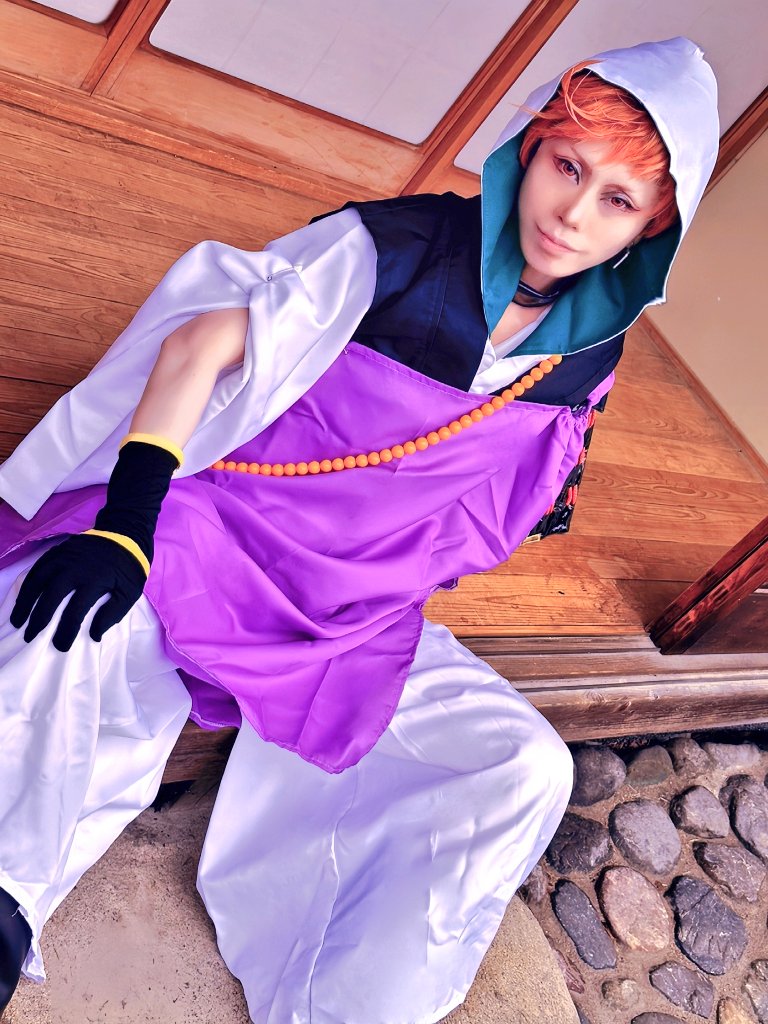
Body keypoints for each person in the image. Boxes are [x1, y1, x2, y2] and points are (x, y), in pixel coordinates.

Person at [0, 36, 718, 1023]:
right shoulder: (396, 246)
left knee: (524, 766)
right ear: (532, 148)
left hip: (352, 603)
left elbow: (487, 503)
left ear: (652, 229)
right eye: (567, 166)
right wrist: (127, 521)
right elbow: (205, 339)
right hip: (224, 525)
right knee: (63, 629)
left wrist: (391, 565)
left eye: (617, 200)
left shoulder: (588, 354)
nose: (573, 214)